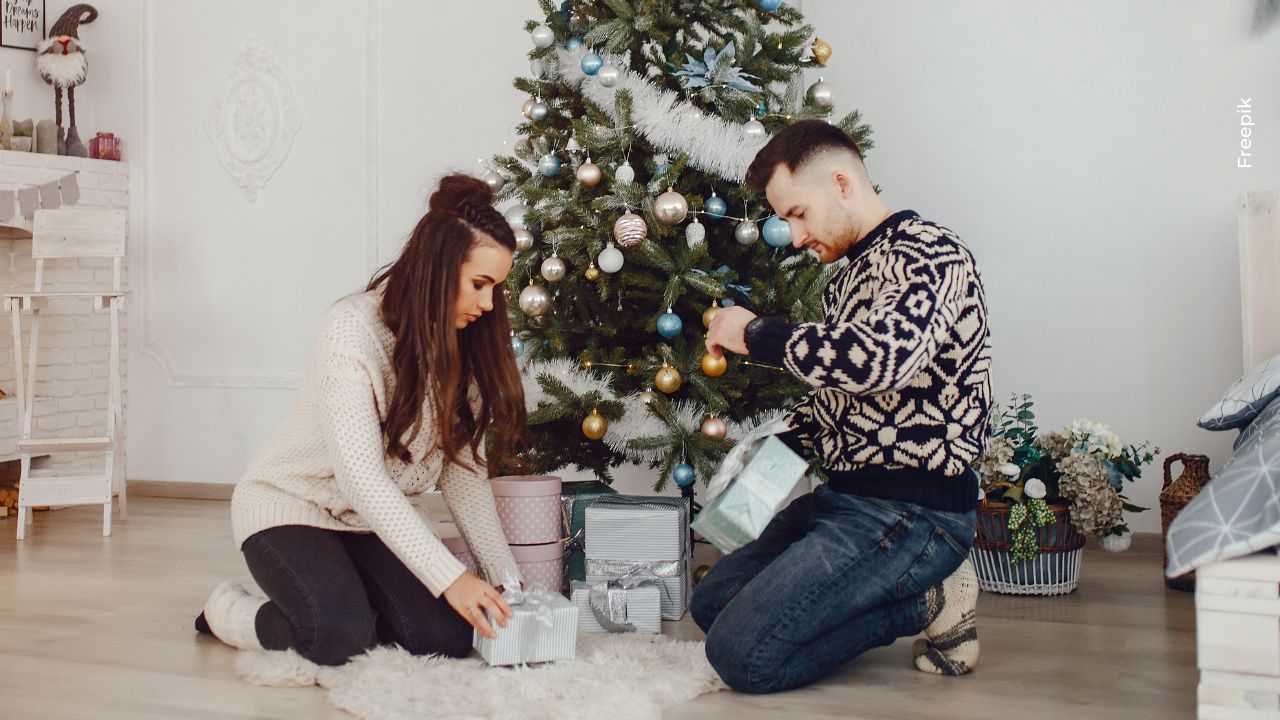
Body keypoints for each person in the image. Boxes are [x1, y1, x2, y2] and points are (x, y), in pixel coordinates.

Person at [696, 120, 992, 693]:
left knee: (741, 656)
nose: (794, 234)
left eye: (798, 214)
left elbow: (882, 359)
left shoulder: (933, 254)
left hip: (912, 514)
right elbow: (840, 394)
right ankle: (873, 593)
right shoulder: (844, 280)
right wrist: (764, 463)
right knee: (713, 602)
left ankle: (932, 599)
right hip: (842, 500)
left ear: (840, 182)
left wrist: (756, 333)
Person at [194, 174, 528, 666]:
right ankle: (228, 611)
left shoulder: (467, 347)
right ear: (438, 270)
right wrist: (451, 577)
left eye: (495, 289)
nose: (488, 304)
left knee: (448, 638)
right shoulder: (351, 331)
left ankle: (343, 596)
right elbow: (362, 481)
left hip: (371, 526)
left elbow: (463, 472)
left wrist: (505, 578)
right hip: (293, 505)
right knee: (339, 639)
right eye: (479, 285)